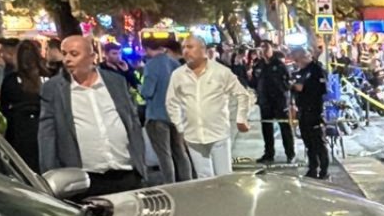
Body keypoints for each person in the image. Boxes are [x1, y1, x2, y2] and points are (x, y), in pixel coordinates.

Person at [37, 35, 148, 197]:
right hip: (85, 179)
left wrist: (140, 163)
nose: (67, 59)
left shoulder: (115, 81)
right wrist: (50, 174)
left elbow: (132, 121)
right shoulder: (54, 89)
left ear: (92, 57)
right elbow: (47, 134)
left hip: (126, 172)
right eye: (64, 54)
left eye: (74, 54)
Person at [166, 36, 250, 178]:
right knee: (204, 180)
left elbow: (242, 95)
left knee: (224, 178)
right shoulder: (178, 75)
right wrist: (180, 127)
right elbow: (171, 102)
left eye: (190, 47)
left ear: (203, 50)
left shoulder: (221, 72)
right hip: (193, 137)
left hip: (218, 135)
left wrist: (241, 118)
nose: (186, 51)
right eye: (184, 47)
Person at [140, 39, 191, 183]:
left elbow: (147, 92)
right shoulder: (174, 64)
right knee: (180, 152)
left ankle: (170, 184)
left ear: (147, 49)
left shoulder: (151, 65)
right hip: (175, 115)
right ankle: (187, 182)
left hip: (157, 116)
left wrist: (140, 89)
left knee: (164, 155)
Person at [0, 40, 46, 171]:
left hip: (19, 132)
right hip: (45, 129)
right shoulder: (49, 78)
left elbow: (4, 108)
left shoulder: (11, 80)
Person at [290, 48, 328, 179]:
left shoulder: (316, 70)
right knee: (308, 142)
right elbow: (294, 88)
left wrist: (304, 88)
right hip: (303, 110)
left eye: (298, 58)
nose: (297, 62)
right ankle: (312, 168)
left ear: (305, 56)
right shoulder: (301, 71)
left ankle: (324, 169)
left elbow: (321, 89)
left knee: (317, 141)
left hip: (314, 111)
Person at [255, 46, 294, 164]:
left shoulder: (280, 65)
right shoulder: (259, 65)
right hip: (265, 102)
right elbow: (255, 81)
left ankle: (290, 154)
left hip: (279, 102)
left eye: (266, 49)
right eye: (262, 50)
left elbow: (288, 82)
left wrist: (287, 98)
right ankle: (269, 154)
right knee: (267, 129)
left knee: (285, 128)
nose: (264, 52)